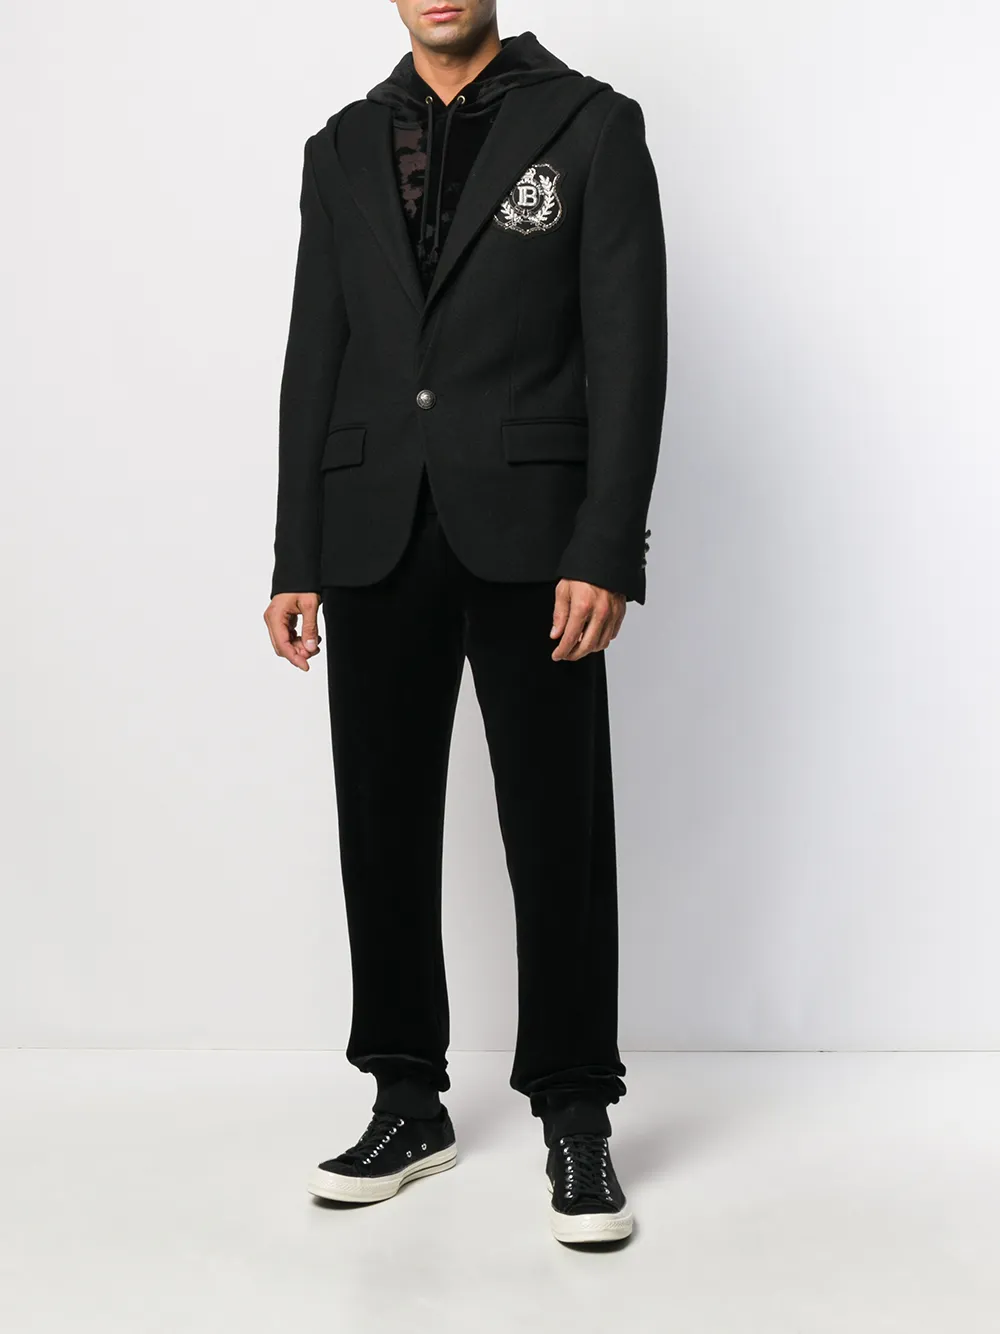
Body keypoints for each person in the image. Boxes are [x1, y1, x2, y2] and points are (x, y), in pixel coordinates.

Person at [263, 0, 667, 1246]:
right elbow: (315, 351)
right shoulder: (341, 144)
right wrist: (295, 552)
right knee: (379, 821)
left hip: (534, 531)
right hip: (372, 522)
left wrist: (604, 544)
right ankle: (405, 1099)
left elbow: (629, 344)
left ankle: (575, 1111)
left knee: (557, 825)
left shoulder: (589, 125)